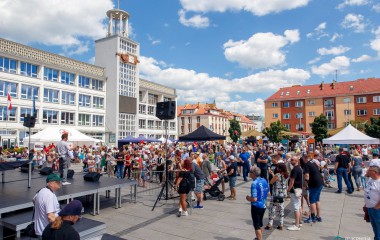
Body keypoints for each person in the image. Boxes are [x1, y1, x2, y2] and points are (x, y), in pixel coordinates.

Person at [34, 173, 62, 239]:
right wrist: (61, 227)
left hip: (40, 230)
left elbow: (34, 200)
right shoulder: (49, 195)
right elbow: (50, 216)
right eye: (57, 182)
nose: (59, 183)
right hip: (48, 231)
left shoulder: (41, 191)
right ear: (50, 184)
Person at [246, 167, 269, 240]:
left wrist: (248, 198)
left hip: (256, 206)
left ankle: (259, 238)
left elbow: (254, 199)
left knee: (256, 225)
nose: (249, 173)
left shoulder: (254, 183)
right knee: (260, 223)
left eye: (250, 172)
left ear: (253, 174)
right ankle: (258, 237)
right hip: (264, 205)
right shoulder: (264, 180)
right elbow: (268, 192)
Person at [266, 163, 288, 231]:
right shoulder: (286, 174)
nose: (277, 168)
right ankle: (281, 224)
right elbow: (279, 181)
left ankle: (270, 224)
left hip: (277, 193)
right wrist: (273, 174)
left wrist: (272, 175)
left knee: (272, 207)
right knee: (281, 208)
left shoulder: (277, 174)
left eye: (278, 167)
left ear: (280, 168)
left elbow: (271, 182)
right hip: (283, 192)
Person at [303, 155, 324, 223]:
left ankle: (312, 217)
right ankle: (318, 216)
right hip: (320, 182)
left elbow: (307, 176)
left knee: (312, 201)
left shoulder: (306, 165)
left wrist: (305, 184)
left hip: (314, 184)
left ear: (305, 159)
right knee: (317, 200)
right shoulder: (313, 163)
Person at [364, 159, 380, 240]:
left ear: (375, 172)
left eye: (370, 170)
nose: (368, 171)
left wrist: (376, 207)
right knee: (375, 228)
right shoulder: (371, 179)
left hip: (377, 210)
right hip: (370, 208)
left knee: (378, 228)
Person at [287, 156, 303, 231]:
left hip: (295, 190)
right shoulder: (299, 168)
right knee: (299, 206)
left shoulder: (295, 169)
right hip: (299, 190)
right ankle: (299, 222)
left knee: (296, 207)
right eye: (291, 159)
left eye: (292, 160)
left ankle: (297, 225)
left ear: (296, 161)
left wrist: (288, 189)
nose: (291, 160)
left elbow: (292, 181)